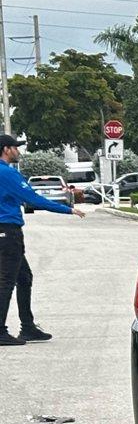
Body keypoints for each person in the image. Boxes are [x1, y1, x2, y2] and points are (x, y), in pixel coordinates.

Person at [0, 133, 86, 345]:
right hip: (8, 231)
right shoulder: (6, 173)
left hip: (4, 232)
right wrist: (67, 210)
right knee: (6, 281)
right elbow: (32, 199)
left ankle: (28, 327)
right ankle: (0, 331)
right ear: (6, 149)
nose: (18, 151)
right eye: (15, 147)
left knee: (24, 277)